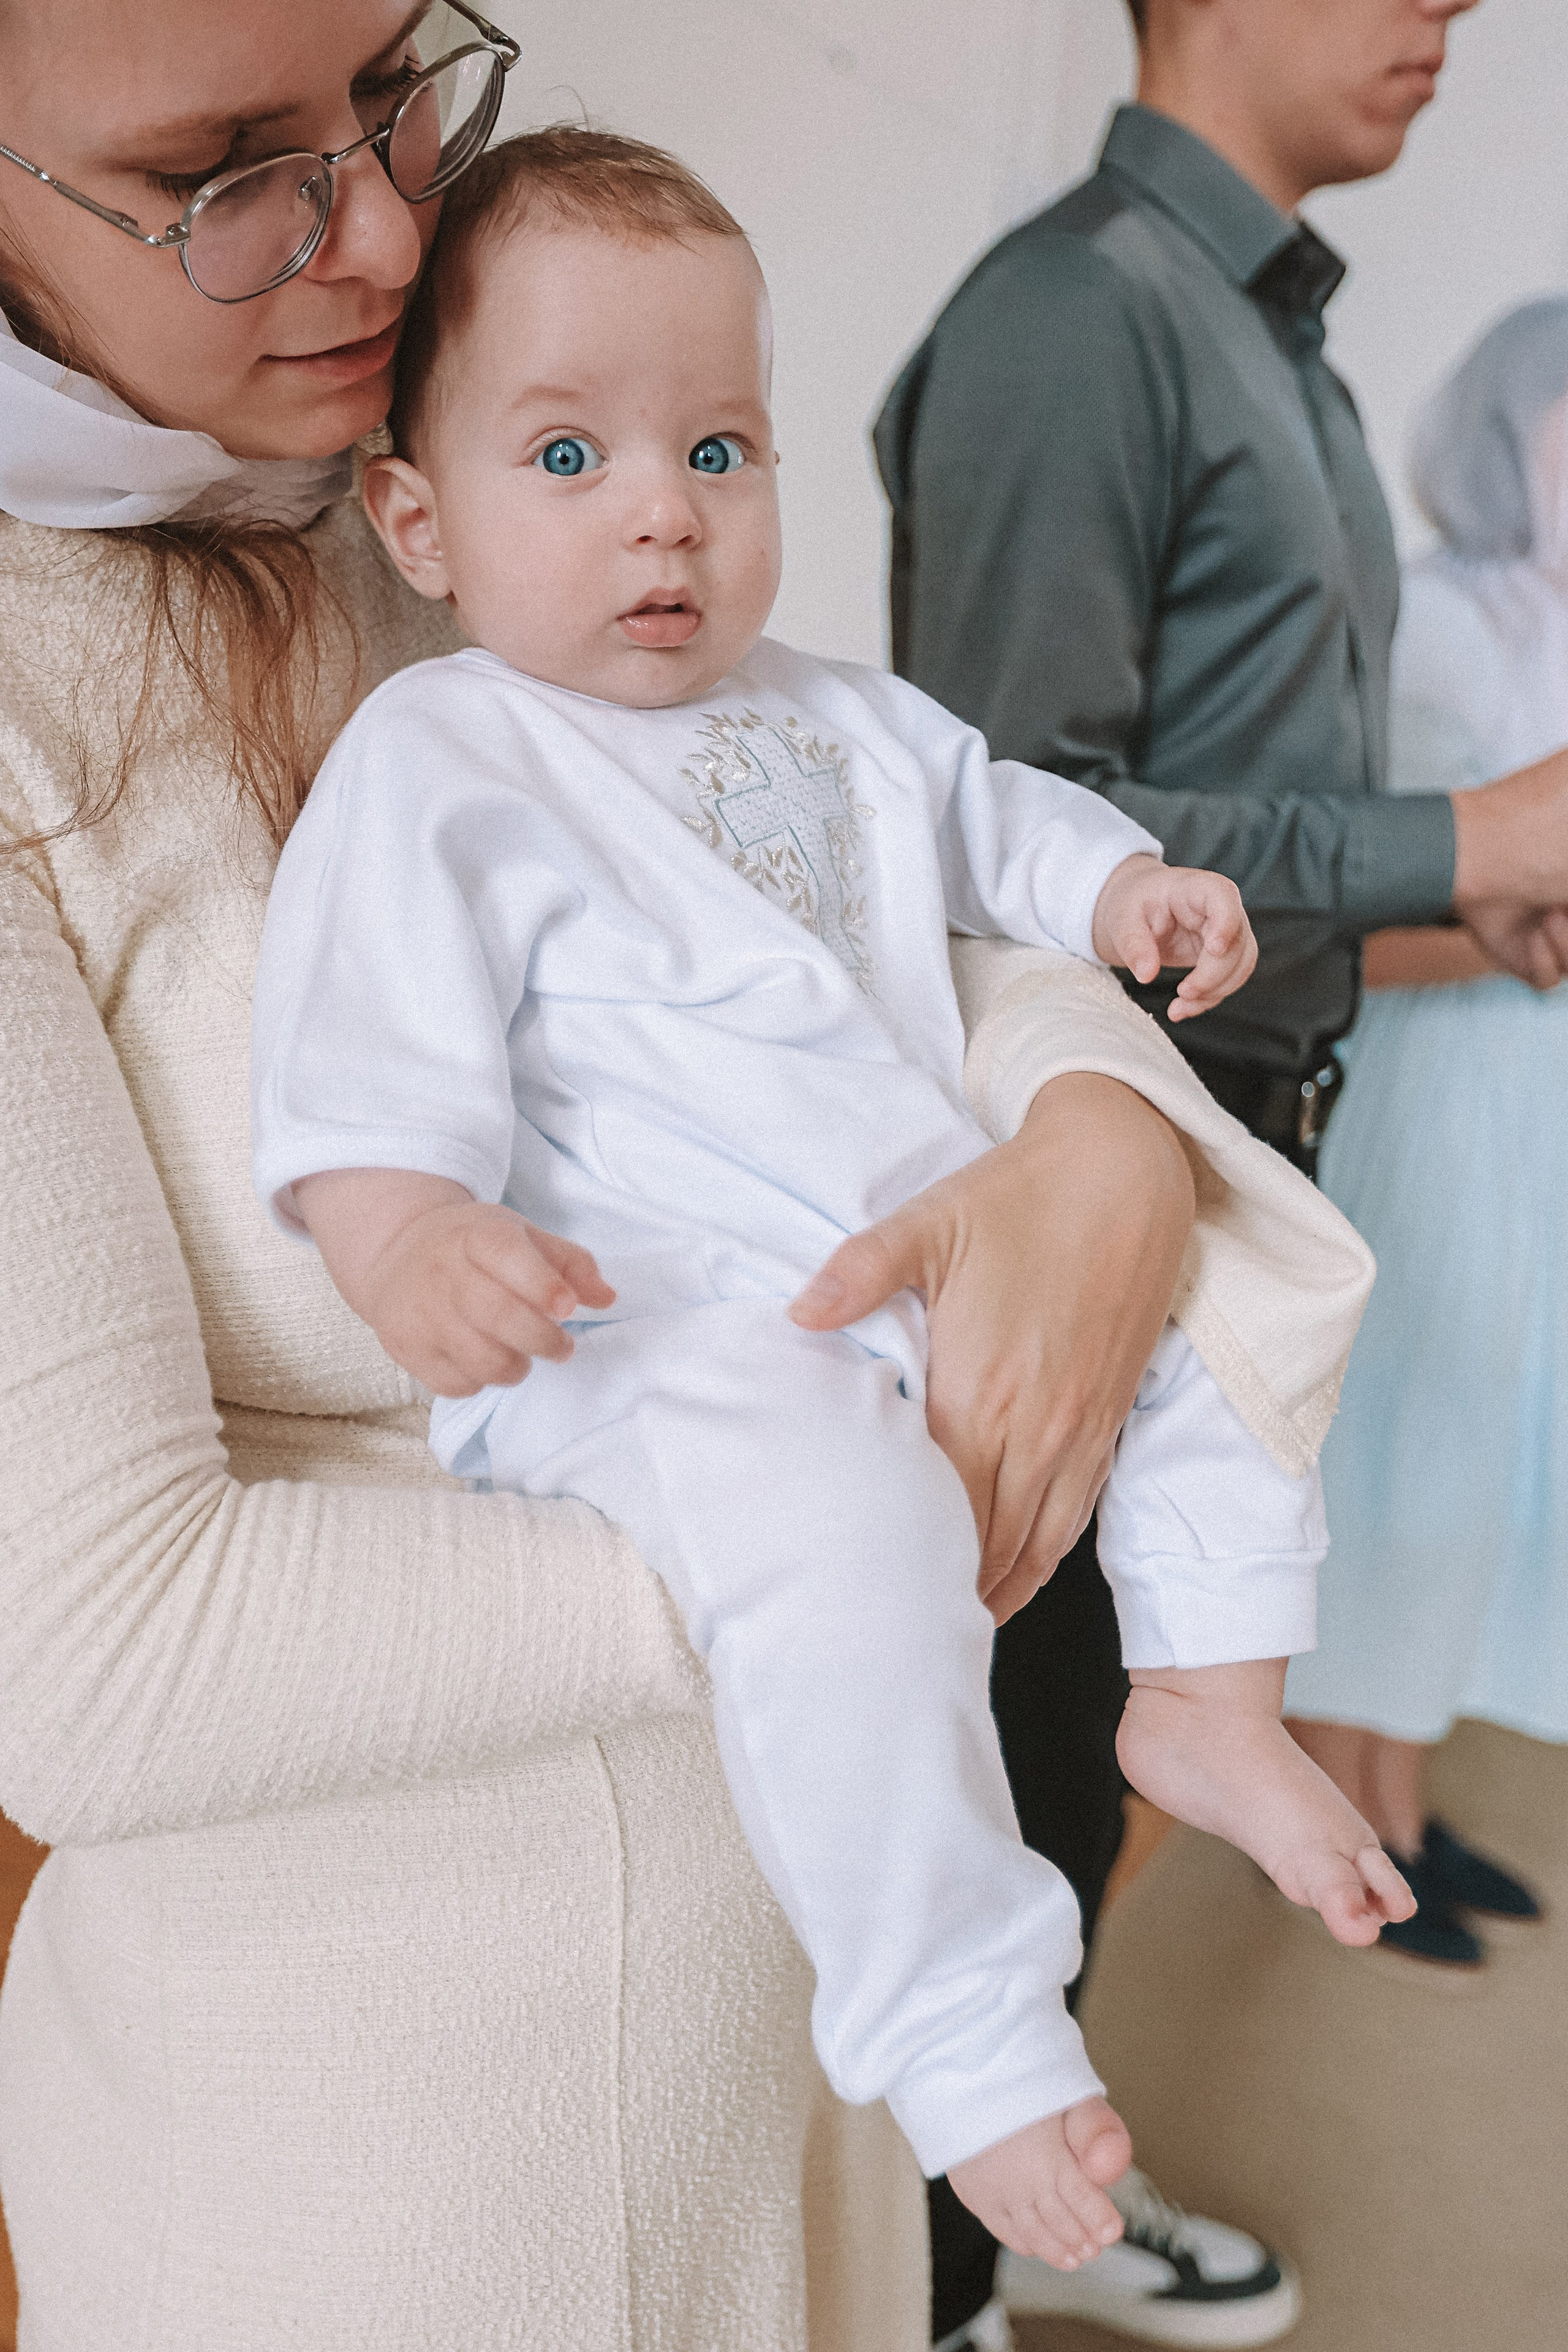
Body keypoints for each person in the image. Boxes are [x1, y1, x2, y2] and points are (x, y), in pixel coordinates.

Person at [0, 6, 1304, 2345]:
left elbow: (839, 892)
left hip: (779, 2033)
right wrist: (849, 1525)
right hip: (380, 2181)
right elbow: (93, 1663)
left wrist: (1099, 1141)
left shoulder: (484, 475)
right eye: (230, 166)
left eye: (405, 84)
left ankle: (1212, 1707)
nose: (390, 225)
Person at [247, 127, 1408, 2276]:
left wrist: (1122, 889)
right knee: (837, 1533)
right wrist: (413, 1241)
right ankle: (971, 2038)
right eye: (572, 454)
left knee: (1236, 1292)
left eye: (718, 443)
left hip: (920, 1251)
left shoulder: (834, 719)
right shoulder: (447, 759)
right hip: (662, 1333)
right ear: (417, 518)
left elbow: (1004, 823)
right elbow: (355, 1066)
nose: (665, 510)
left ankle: (1215, 1700)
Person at [873, 0, 1568, 2343]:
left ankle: (1016, 2222)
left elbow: (1207, 793)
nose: (1447, 14)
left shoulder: (1278, 342)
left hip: (1246, 1147)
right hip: (1106, 1178)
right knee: (1021, 1784)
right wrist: (1457, 832)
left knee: (1083, 1773)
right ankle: (944, 2285)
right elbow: (1010, 831)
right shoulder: (1081, 314)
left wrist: (1451, 894)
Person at [1285, 300, 1568, 1968]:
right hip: (1433, 1082)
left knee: (1482, 1453)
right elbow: (1377, 892)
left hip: (1532, 1093)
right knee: (1397, 1447)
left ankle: (1397, 1790)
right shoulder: (1442, 622)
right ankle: (1340, 1814)